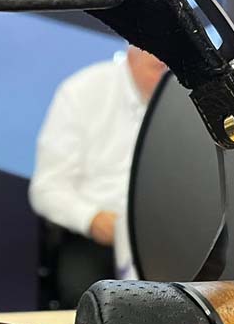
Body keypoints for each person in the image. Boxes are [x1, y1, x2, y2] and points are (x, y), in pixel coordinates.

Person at [29, 46, 168, 280]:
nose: (167, 78)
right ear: (132, 55)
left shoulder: (189, 95)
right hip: (99, 237)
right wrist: (91, 218)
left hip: (170, 234)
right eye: (159, 68)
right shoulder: (81, 92)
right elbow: (47, 188)